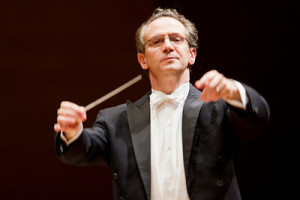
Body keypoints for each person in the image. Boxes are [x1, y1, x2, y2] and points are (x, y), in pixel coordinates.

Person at [54, 8, 270, 200]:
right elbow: (82, 150)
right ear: (143, 60)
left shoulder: (220, 108)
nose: (167, 46)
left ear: (191, 54)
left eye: (176, 39)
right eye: (156, 41)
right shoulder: (115, 120)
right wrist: (72, 133)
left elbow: (258, 118)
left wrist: (234, 90)